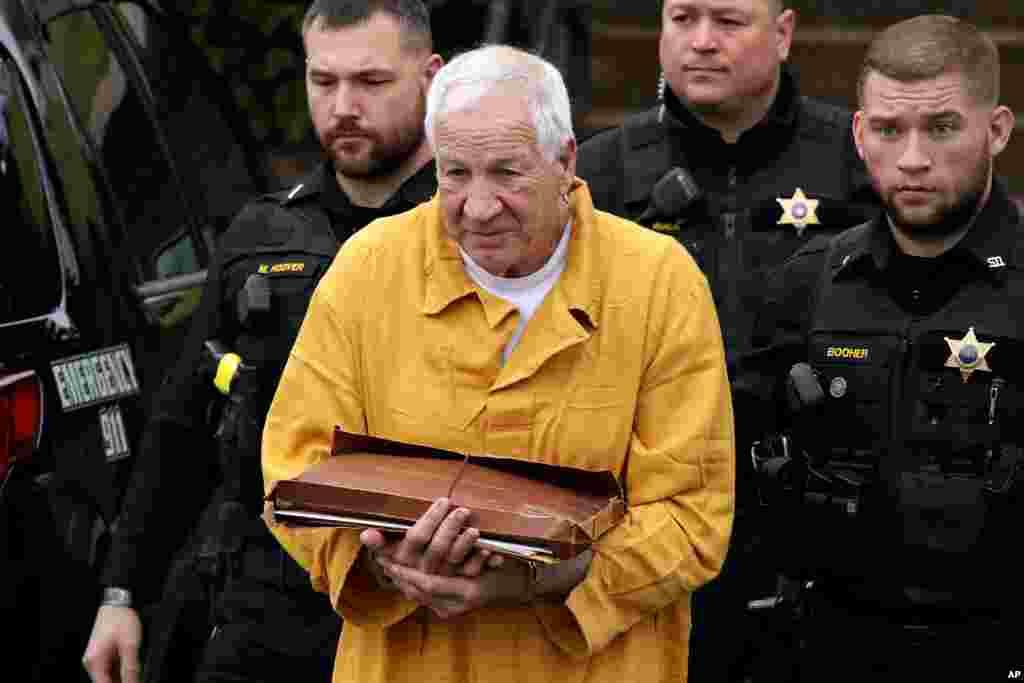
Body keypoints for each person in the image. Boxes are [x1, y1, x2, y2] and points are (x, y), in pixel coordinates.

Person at [261, 44, 734, 683]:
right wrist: (384, 564)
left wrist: (535, 581)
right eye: (454, 174)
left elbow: (693, 516)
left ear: (566, 160)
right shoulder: (369, 268)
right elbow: (293, 467)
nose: (478, 208)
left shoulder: (658, 284)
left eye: (507, 173)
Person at [81, 2, 442, 682]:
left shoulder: (473, 230)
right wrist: (123, 592)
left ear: (430, 76)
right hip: (267, 596)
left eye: (371, 81)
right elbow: (182, 426)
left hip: (419, 599)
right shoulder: (263, 235)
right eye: (324, 81)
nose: (344, 106)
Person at [575, 1, 880, 679]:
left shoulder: (859, 160)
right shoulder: (601, 173)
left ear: (784, 33)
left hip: (815, 526)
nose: (702, 42)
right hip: (647, 524)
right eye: (683, 19)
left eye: (728, 22)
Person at [742, 14, 1021, 681]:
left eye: (942, 127)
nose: (914, 158)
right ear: (860, 134)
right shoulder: (803, 284)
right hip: (830, 649)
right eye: (890, 130)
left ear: (997, 130)